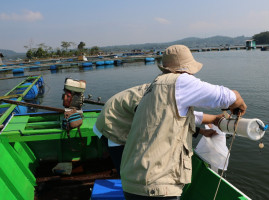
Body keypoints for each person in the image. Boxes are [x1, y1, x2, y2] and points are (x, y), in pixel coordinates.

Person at [120, 44, 247, 200]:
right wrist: (240, 103)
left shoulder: (156, 86)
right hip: (156, 186)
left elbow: (181, 116)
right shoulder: (180, 81)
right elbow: (227, 97)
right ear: (186, 69)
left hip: (133, 180)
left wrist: (214, 119)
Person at [93, 84, 222, 176]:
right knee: (126, 170)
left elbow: (184, 117)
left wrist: (206, 127)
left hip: (125, 115)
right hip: (112, 124)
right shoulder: (157, 100)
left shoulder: (166, 91)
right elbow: (167, 124)